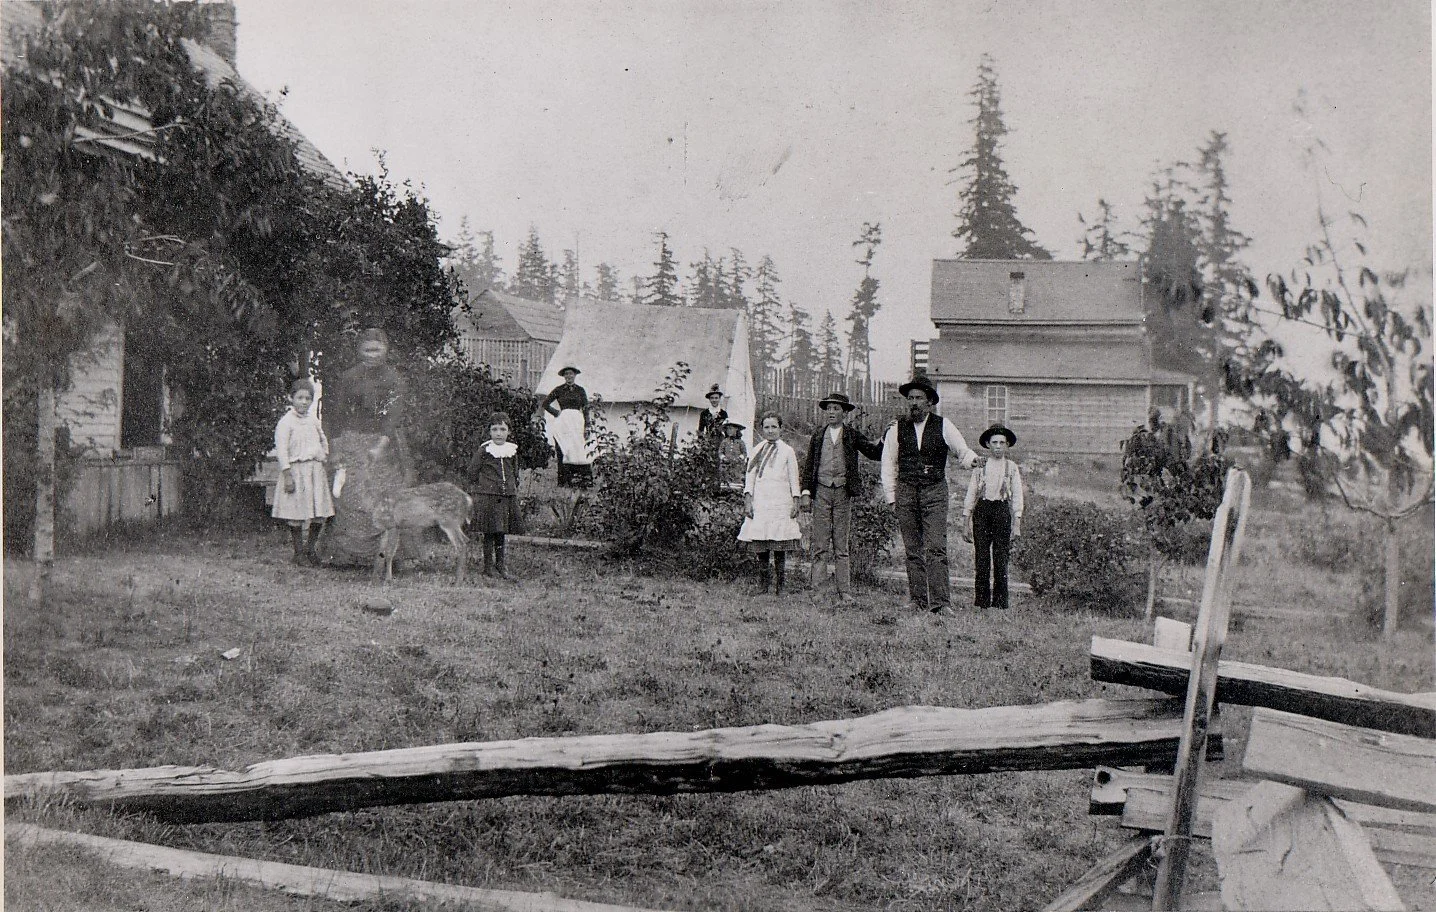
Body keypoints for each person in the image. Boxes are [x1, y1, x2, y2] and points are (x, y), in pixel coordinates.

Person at [879, 377, 983, 614]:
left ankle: (941, 603)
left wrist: (973, 460)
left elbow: (962, 451)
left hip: (934, 492)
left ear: (929, 402)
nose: (914, 403)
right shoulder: (897, 428)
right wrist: (892, 498)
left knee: (936, 547)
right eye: (911, 399)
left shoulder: (944, 425)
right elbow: (888, 464)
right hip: (906, 492)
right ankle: (917, 600)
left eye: (919, 398)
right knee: (912, 549)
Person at [322, 328, 412, 566]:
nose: (372, 355)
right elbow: (337, 413)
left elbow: (393, 417)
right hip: (353, 440)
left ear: (386, 350)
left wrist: (381, 444)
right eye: (367, 350)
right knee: (350, 496)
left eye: (377, 349)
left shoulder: (394, 379)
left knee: (383, 495)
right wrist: (338, 444)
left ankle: (384, 555)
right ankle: (347, 556)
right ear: (360, 350)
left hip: (383, 444)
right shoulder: (349, 377)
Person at [800, 392, 883, 603]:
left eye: (836, 408)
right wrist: (806, 492)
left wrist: (885, 438)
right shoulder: (818, 436)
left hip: (843, 493)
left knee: (841, 545)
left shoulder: (852, 435)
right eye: (828, 408)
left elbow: (874, 453)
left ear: (844, 413)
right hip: (821, 492)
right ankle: (817, 590)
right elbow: (809, 465)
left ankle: (844, 591)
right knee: (819, 544)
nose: (831, 412)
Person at [737, 412, 802, 596]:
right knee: (762, 543)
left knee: (779, 543)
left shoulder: (787, 451)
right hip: (762, 503)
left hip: (781, 503)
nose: (770, 430)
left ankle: (780, 586)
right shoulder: (756, 450)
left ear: (780, 429)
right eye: (767, 427)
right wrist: (748, 500)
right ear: (762, 429)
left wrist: (795, 501)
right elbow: (750, 478)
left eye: (774, 427)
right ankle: (763, 585)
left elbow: (793, 478)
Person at [961, 423, 1024, 610]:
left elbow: (1018, 494)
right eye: (994, 442)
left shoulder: (1011, 468)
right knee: (982, 558)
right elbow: (971, 493)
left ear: (1007, 446)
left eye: (1002, 442)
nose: (998, 446)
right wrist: (966, 522)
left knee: (1001, 558)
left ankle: (1000, 602)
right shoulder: (980, 466)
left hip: (1002, 512)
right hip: (982, 512)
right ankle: (981, 602)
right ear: (988, 444)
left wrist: (1017, 522)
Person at [272, 378, 334, 565]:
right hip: (296, 470)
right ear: (291, 398)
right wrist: (287, 473)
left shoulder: (313, 420)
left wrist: (323, 456)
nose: (304, 402)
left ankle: (310, 550)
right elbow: (281, 450)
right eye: (300, 398)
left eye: (308, 398)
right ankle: (298, 553)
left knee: (318, 512)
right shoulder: (286, 422)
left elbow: (323, 440)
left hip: (314, 470)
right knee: (296, 513)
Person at [466, 411, 524, 579]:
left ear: (509, 432)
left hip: (505, 497)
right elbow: (472, 471)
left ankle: (501, 565)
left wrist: (512, 485)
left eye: (502, 429)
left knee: (501, 532)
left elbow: (514, 471)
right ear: (490, 431)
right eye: (495, 429)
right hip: (488, 496)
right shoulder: (485, 450)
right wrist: (485, 485)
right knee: (489, 532)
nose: (499, 433)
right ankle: (488, 567)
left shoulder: (511, 450)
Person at [542, 366, 592, 488]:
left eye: (571, 374)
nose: (569, 376)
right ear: (564, 376)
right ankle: (563, 480)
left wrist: (587, 426)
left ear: (575, 375)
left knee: (578, 449)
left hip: (577, 423)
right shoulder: (559, 390)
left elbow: (585, 409)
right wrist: (556, 413)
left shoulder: (580, 390)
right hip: (563, 422)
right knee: (563, 449)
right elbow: (545, 403)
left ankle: (579, 481)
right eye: (566, 374)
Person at [716, 420, 748, 494]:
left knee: (736, 479)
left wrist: (740, 458)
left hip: (737, 465)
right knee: (725, 479)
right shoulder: (724, 441)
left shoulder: (740, 442)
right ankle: (725, 493)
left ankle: (736, 494)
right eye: (727, 429)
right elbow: (720, 451)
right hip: (726, 465)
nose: (729, 431)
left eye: (731, 429)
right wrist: (723, 458)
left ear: (736, 430)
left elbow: (744, 452)